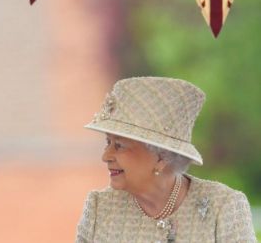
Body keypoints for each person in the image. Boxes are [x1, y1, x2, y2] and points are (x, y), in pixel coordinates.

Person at [75, 77, 256, 243]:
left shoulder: (223, 207)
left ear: (161, 157)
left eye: (119, 145)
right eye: (108, 142)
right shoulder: (100, 208)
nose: (105, 156)